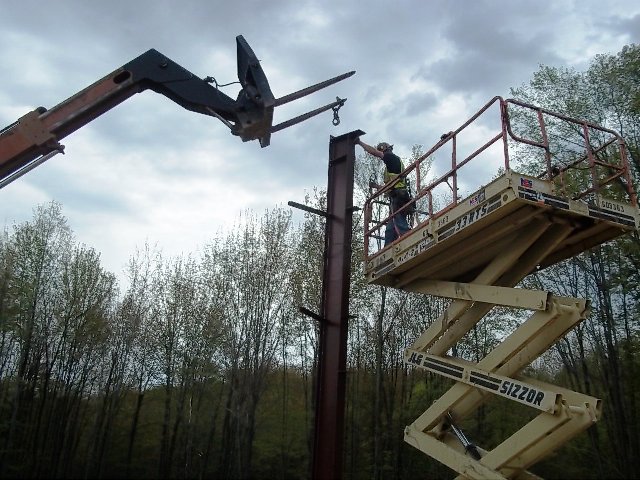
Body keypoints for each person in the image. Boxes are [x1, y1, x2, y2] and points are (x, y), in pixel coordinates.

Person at [356, 138, 412, 246]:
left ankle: (410, 241)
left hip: (398, 197)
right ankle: (388, 248)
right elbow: (391, 185)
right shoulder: (392, 165)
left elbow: (373, 152)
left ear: (384, 150)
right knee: (390, 228)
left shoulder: (391, 158)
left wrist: (359, 143)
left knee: (400, 224)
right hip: (397, 196)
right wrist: (376, 186)